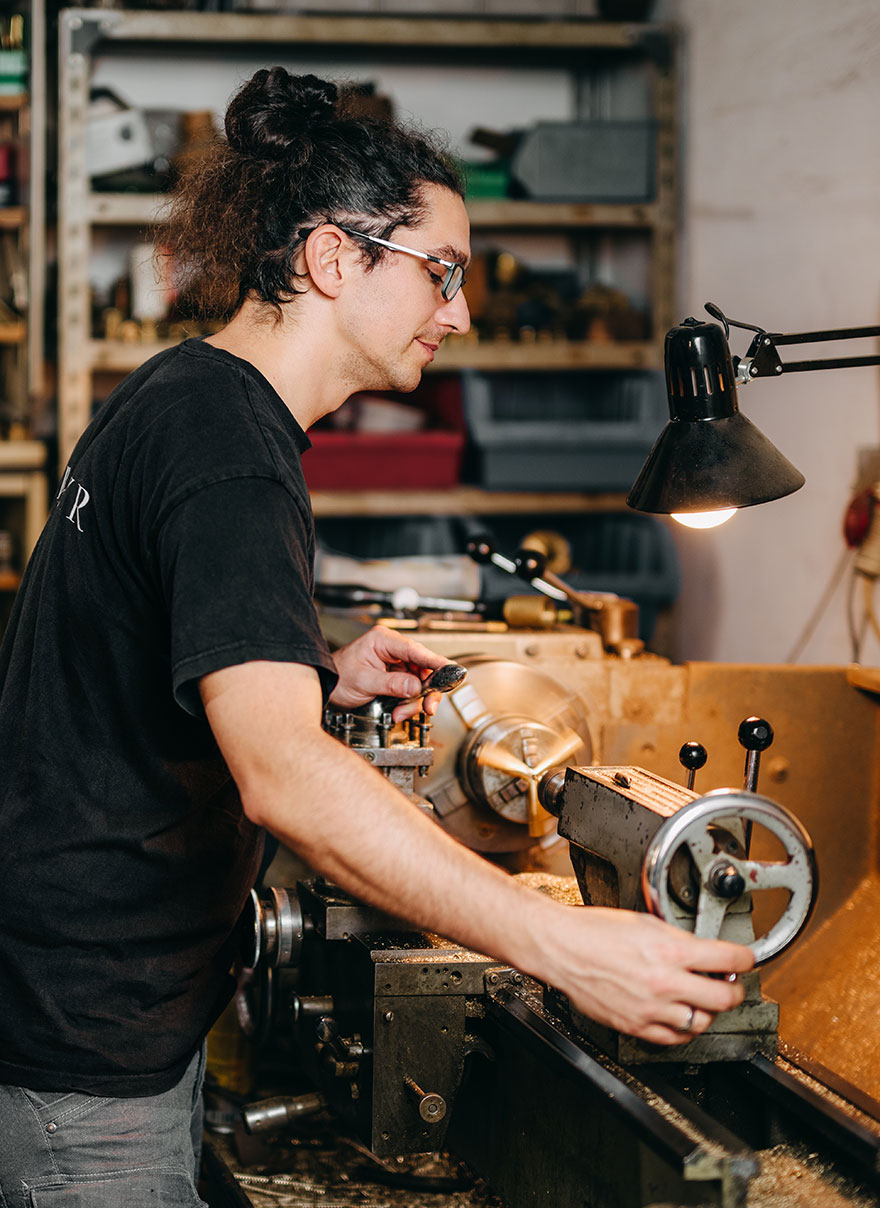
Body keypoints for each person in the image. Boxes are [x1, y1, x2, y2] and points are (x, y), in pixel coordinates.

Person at [0, 69, 752, 1206]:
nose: (460, 312)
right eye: (441, 272)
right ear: (332, 258)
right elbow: (285, 779)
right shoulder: (233, 456)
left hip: (78, 997)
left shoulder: (181, 396)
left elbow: (129, 642)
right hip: (87, 1051)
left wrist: (309, 665)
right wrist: (568, 947)